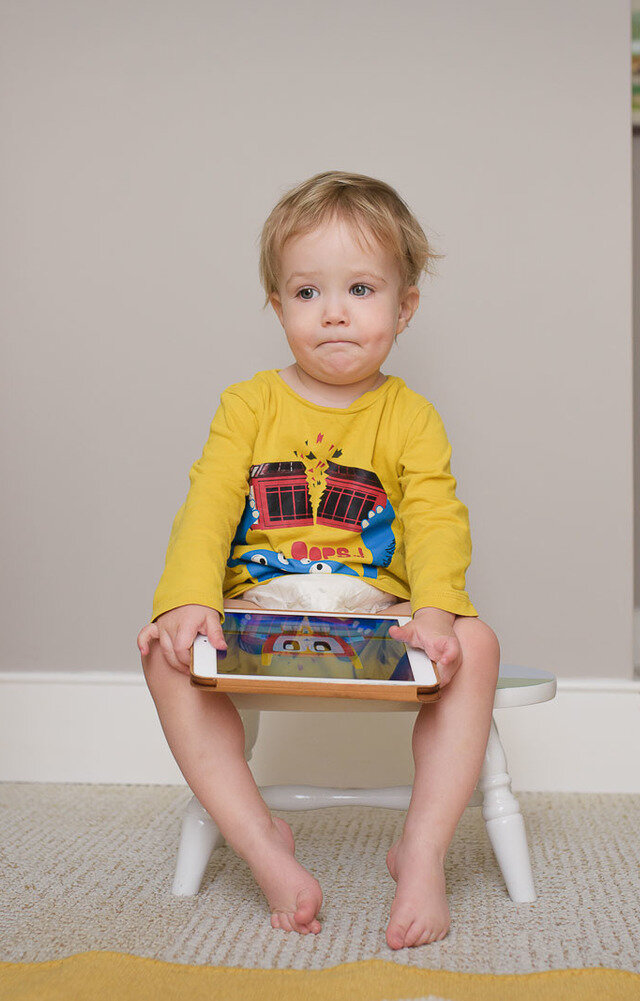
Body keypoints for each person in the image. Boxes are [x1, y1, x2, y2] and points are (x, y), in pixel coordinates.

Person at [136, 170, 500, 950]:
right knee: (165, 653)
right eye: (307, 293)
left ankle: (423, 851)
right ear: (278, 305)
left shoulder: (410, 416)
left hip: (379, 618)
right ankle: (262, 842)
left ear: (403, 308)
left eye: (361, 289)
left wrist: (435, 615)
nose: (333, 311)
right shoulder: (249, 404)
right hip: (257, 616)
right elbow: (207, 501)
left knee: (478, 645)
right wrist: (184, 599)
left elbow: (437, 515)